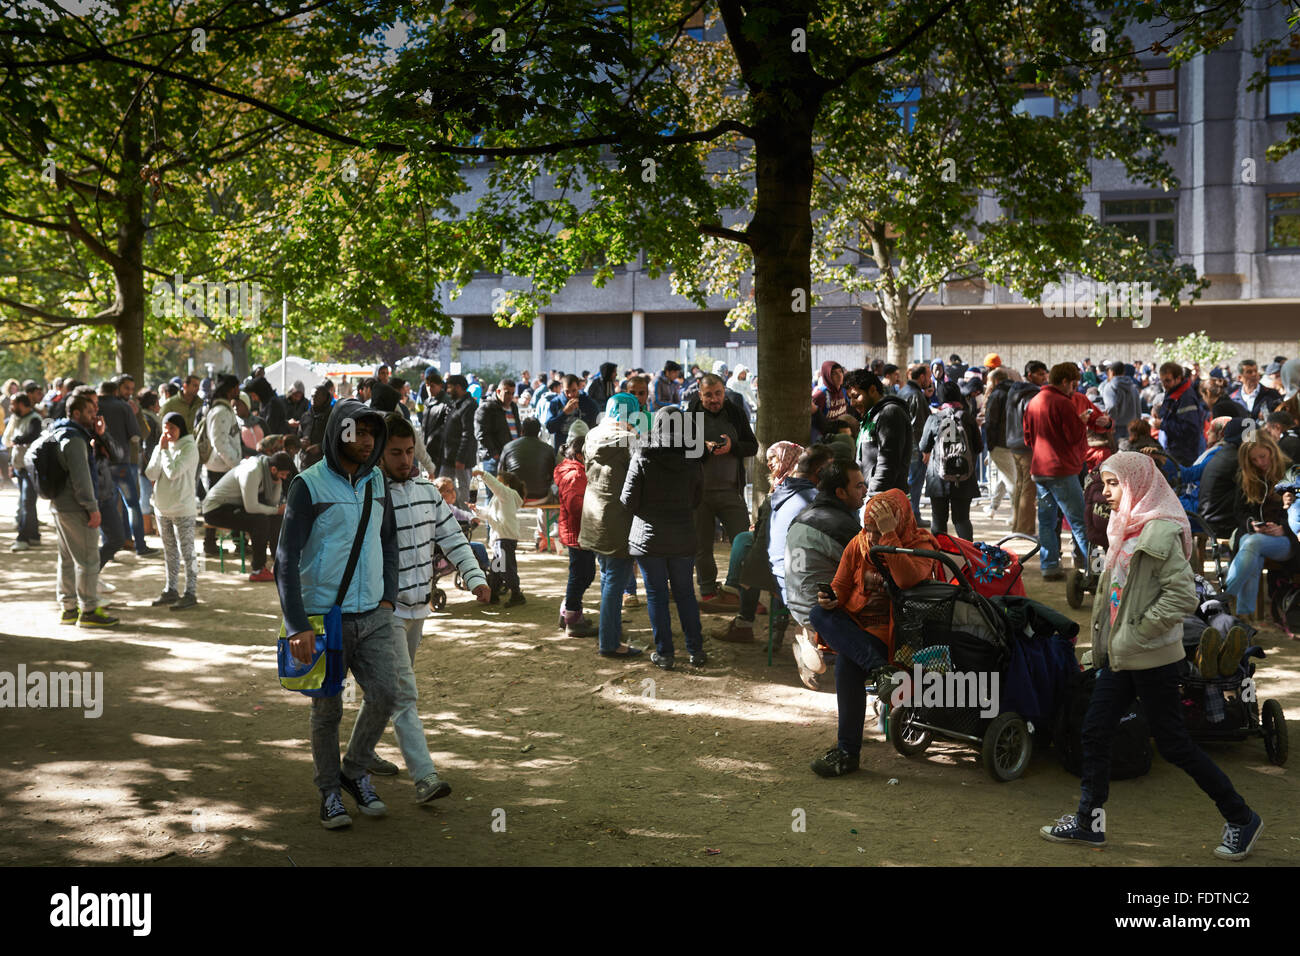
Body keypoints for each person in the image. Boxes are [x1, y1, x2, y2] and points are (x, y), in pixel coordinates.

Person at [1041, 452, 1262, 860]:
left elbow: (1180, 595)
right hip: (1125, 656)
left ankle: (1241, 817)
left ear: (1137, 482)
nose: (1105, 493)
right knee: (1094, 729)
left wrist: (1138, 633)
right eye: (1103, 484)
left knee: (1175, 744)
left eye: (1113, 483)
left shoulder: (1158, 529)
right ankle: (1089, 820)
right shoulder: (1123, 525)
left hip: (1153, 657)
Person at [276, 399, 399, 830]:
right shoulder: (307, 486)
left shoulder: (377, 480)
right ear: (338, 433)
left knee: (388, 692)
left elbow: (388, 541)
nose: (366, 440)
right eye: (357, 432)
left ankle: (355, 769)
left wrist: (390, 596)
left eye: (371, 433)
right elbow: (285, 559)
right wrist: (296, 626)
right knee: (327, 712)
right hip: (325, 619)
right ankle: (330, 791)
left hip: (375, 614)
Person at [366, 412, 489, 799]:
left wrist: (476, 577)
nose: (404, 460)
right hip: (382, 612)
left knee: (386, 692)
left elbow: (453, 538)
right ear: (379, 455)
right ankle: (425, 777)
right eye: (395, 453)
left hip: (419, 608)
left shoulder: (427, 491)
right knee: (404, 693)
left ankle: (361, 753)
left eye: (408, 451)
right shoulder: (367, 492)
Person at [808, 488, 942, 777]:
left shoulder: (921, 545)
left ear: (898, 523)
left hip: (897, 638)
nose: (872, 538)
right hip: (858, 630)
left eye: (878, 530)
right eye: (868, 529)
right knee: (819, 613)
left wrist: (889, 537)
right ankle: (882, 672)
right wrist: (831, 598)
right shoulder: (858, 544)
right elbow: (841, 586)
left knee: (847, 663)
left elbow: (907, 580)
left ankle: (847, 753)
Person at [620, 407, 707, 669]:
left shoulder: (641, 456)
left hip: (648, 539)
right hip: (683, 537)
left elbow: (627, 499)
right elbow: (697, 500)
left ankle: (665, 653)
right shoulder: (693, 459)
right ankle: (696, 650)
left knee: (657, 595)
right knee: (685, 594)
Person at [783, 463, 870, 687]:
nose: (865, 490)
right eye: (859, 486)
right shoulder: (840, 527)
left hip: (794, 603)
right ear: (840, 492)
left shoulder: (803, 516)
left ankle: (812, 642)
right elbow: (872, 568)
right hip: (823, 611)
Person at [579, 393, 643, 658]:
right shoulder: (631, 442)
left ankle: (611, 635)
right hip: (617, 520)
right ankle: (609, 642)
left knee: (607, 579)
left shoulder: (591, 436)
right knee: (615, 583)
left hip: (593, 517)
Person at [687, 373, 758, 608]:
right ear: (700, 394)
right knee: (702, 546)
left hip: (730, 491)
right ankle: (708, 590)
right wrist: (703, 448)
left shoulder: (735, 412)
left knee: (745, 540)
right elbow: (682, 449)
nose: (714, 399)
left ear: (724, 392)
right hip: (700, 494)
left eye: (718, 394)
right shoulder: (690, 414)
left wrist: (732, 446)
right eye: (708, 395)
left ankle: (739, 592)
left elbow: (752, 446)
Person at [50, 387, 117, 627]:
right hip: (77, 507)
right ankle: (89, 611)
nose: (94, 414)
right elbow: (81, 479)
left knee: (66, 559)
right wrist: (92, 507)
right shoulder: (75, 439)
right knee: (88, 560)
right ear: (76, 413)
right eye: (89, 410)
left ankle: (68, 608)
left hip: (60, 505)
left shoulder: (57, 432)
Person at [1023, 363, 1090, 581]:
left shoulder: (1034, 402)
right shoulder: (1063, 403)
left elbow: (1027, 438)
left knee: (1046, 521)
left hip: (1040, 469)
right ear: (1064, 381)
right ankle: (1095, 570)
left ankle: (1049, 566)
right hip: (1061, 470)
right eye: (1073, 384)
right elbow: (1073, 436)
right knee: (1081, 521)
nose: (1074, 388)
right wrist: (1082, 422)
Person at [1224, 432, 1299, 618]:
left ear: (1271, 451)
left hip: (1287, 540)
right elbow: (1239, 512)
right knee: (1253, 551)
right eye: (1254, 459)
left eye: (1262, 456)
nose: (1260, 462)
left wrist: (1283, 528)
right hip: (1256, 534)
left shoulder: (1291, 471)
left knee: (1251, 543)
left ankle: (1221, 597)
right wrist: (1253, 524)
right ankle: (1245, 618)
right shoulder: (1248, 475)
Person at [203, 451, 294, 581]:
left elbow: (272, 503)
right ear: (273, 469)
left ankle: (279, 563)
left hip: (233, 506)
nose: (284, 478)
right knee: (260, 521)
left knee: (276, 518)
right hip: (215, 510)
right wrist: (276, 510)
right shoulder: (252, 471)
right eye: (282, 474)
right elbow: (251, 507)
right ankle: (258, 569)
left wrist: (277, 482)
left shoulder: (270, 473)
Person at [145, 411, 201, 609]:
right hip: (162, 508)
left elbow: (173, 472)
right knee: (170, 552)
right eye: (165, 428)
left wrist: (166, 451)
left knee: (188, 552)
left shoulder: (190, 448)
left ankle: (191, 592)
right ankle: (171, 589)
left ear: (181, 428)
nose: (168, 432)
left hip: (183, 509)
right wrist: (160, 450)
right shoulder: (162, 446)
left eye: (173, 428)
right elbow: (151, 473)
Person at [918, 381, 983, 540]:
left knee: (939, 519)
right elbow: (979, 447)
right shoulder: (967, 418)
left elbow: (923, 446)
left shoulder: (934, 418)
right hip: (964, 475)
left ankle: (939, 558)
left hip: (938, 477)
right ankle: (969, 557)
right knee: (962, 519)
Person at [98, 377, 155, 557]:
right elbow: (138, 434)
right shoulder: (124, 407)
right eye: (126, 388)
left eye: (132, 388)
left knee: (107, 505)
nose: (129, 392)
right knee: (132, 505)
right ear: (116, 389)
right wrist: (135, 415)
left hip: (102, 464)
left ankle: (109, 546)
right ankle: (140, 545)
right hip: (123, 463)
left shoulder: (95, 406)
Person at [554, 434, 597, 637]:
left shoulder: (575, 470)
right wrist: (596, 509)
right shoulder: (575, 475)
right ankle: (572, 618)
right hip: (578, 532)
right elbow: (575, 505)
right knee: (581, 575)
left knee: (584, 574)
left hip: (578, 531)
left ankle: (569, 611)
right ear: (580, 454)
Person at [845, 368, 912, 496]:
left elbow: (888, 463)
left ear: (872, 390)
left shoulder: (890, 413)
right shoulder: (869, 417)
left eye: (856, 396)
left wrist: (873, 495)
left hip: (886, 500)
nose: (852, 403)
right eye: (850, 398)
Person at [471, 466, 528, 606]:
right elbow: (489, 515)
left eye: (499, 482)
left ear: (506, 484)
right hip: (499, 540)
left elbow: (495, 486)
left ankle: (516, 594)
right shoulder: (499, 500)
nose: (495, 486)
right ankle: (493, 594)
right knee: (496, 569)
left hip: (505, 539)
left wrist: (483, 474)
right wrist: (476, 510)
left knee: (506, 568)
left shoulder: (508, 494)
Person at [201, 375, 243, 557]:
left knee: (231, 504)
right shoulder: (220, 411)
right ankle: (210, 543)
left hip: (224, 467)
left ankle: (236, 541)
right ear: (230, 389)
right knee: (217, 507)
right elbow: (220, 443)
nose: (239, 391)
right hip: (221, 468)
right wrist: (236, 464)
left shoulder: (223, 410)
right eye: (237, 387)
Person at [5, 392, 42, 551]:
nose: (11, 407)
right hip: (20, 467)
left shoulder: (35, 419)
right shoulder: (18, 419)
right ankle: (33, 535)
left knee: (27, 502)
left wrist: (17, 441)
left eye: (14, 404)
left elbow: (33, 436)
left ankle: (23, 538)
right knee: (27, 502)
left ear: (22, 404)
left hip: (30, 468)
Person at [1152, 362, 1207, 467]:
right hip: (1173, 450)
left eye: (1168, 380)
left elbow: (1190, 428)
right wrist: (1159, 411)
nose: (1164, 385)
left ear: (1178, 378)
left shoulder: (1186, 398)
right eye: (1162, 381)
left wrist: (1162, 425)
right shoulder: (1173, 391)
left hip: (1183, 454)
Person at [438, 374, 478, 507]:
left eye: (449, 387)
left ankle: (466, 519)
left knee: (464, 489)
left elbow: (468, 434)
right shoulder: (457, 404)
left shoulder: (469, 406)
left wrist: (461, 458)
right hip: (449, 456)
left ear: (458, 387)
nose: (447, 391)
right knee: (442, 487)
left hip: (461, 459)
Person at [545, 374, 599, 452]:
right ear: (562, 388)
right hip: (563, 449)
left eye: (574, 390)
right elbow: (550, 428)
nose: (570, 395)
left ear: (579, 387)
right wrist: (564, 413)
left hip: (583, 448)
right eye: (567, 391)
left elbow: (595, 426)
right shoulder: (555, 402)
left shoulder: (588, 402)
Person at [811, 361, 850, 442]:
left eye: (840, 371)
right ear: (827, 376)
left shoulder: (843, 391)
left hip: (842, 435)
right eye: (834, 373)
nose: (839, 375)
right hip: (827, 440)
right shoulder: (820, 395)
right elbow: (816, 422)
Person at [1099, 360, 1141, 433]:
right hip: (1132, 427)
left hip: (1117, 427)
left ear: (1112, 372)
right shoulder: (1133, 387)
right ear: (1123, 372)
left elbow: (1111, 406)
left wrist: (1111, 422)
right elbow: (1138, 409)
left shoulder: (1109, 387)